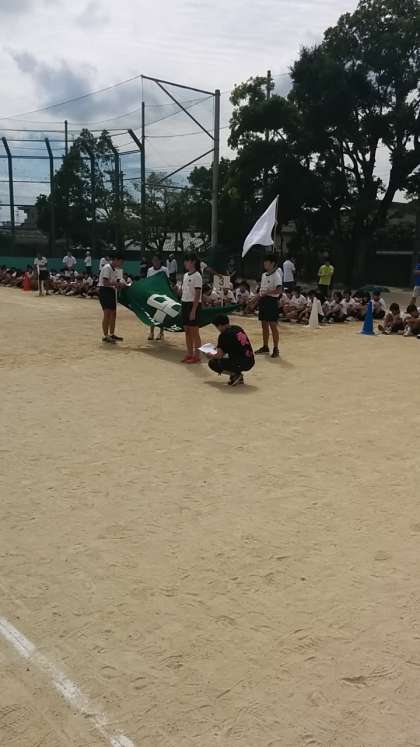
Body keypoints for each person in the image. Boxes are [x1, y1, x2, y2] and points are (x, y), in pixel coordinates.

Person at [206, 314, 255, 386]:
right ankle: (237, 375)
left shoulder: (224, 335)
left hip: (241, 363)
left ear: (220, 325)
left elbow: (219, 355)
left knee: (213, 363)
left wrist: (209, 354)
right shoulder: (237, 328)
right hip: (250, 360)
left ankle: (236, 375)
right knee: (228, 357)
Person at [255, 254, 283, 358]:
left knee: (273, 326)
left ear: (272, 263)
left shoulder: (276, 275)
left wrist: (267, 292)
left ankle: (276, 348)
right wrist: (255, 299)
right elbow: (262, 291)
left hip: (271, 301)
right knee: (264, 325)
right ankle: (265, 346)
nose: (264, 264)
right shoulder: (264, 275)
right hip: (263, 301)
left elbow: (279, 290)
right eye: (264, 262)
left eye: (266, 262)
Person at [98, 254, 125, 344]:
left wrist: (121, 285)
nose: (121, 264)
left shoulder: (116, 270)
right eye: (120, 262)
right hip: (105, 290)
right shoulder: (107, 268)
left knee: (113, 313)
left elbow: (116, 282)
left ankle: (112, 334)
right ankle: (106, 336)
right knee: (107, 313)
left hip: (111, 291)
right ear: (116, 260)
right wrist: (117, 284)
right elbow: (105, 282)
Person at [181, 253, 202, 363]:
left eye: (187, 261)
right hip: (184, 303)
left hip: (193, 305)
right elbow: (184, 292)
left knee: (194, 332)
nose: (185, 263)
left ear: (193, 262)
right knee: (187, 331)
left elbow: (197, 294)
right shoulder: (185, 275)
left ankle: (197, 355)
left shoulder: (197, 276)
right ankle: (189, 353)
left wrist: (193, 310)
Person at [147, 255, 169, 341]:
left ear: (160, 261)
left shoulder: (165, 270)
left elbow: (166, 281)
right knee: (151, 313)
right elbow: (148, 281)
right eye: (153, 260)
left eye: (156, 260)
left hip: (162, 294)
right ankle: (151, 332)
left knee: (161, 313)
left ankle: (161, 333)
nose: (155, 262)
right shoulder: (150, 270)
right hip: (152, 294)